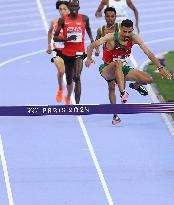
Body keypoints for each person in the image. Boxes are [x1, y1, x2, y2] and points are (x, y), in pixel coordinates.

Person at [86, 19, 172, 124]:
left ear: (132, 30)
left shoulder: (134, 38)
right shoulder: (111, 37)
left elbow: (148, 52)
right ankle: (123, 94)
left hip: (122, 69)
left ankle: (135, 86)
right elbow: (91, 46)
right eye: (125, 31)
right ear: (120, 29)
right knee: (118, 64)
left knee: (149, 79)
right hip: (107, 69)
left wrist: (160, 67)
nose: (127, 34)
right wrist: (89, 58)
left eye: (129, 31)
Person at [53, 0, 94, 105]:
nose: (74, 7)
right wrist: (67, 39)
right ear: (69, 7)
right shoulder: (62, 20)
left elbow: (88, 29)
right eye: (72, 6)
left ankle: (77, 104)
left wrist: (92, 41)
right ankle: (68, 93)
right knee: (69, 79)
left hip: (79, 52)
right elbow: (55, 38)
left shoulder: (84, 18)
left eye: (76, 5)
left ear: (79, 7)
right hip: (67, 54)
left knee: (77, 76)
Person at [47, 1, 69, 103]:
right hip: (57, 50)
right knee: (61, 71)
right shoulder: (54, 21)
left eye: (64, 9)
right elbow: (50, 31)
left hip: (69, 51)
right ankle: (60, 89)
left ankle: (68, 96)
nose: (62, 11)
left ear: (68, 9)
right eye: (60, 9)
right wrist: (49, 45)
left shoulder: (72, 22)